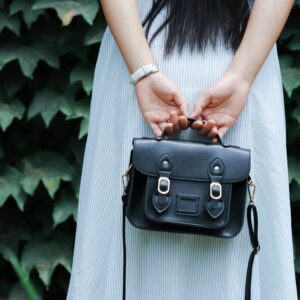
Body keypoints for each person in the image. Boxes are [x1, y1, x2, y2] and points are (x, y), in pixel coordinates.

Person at [66, 0, 298, 299]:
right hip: (242, 50)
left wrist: (144, 72)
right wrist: (242, 76)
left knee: (121, 256)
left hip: (140, 46)